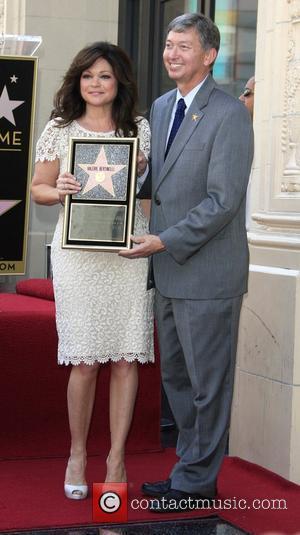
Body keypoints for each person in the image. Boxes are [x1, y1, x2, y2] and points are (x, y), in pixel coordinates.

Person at [120, 13, 254, 512]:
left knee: (207, 384)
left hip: (207, 271)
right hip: (169, 270)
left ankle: (196, 479)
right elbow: (158, 178)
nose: (171, 53)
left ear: (210, 55)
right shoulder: (159, 106)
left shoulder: (230, 114)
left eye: (183, 46)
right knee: (177, 379)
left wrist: (162, 241)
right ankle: (192, 471)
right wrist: (115, 182)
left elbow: (223, 202)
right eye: (168, 45)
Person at [31, 41, 154, 500]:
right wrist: (58, 187)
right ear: (77, 81)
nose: (96, 84)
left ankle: (116, 457)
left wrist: (141, 172)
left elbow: (146, 196)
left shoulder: (139, 130)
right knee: (84, 360)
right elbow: (38, 188)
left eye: (104, 75)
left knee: (125, 357)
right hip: (77, 256)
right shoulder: (59, 130)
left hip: (127, 254)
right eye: (87, 76)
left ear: (118, 81)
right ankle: (77, 453)